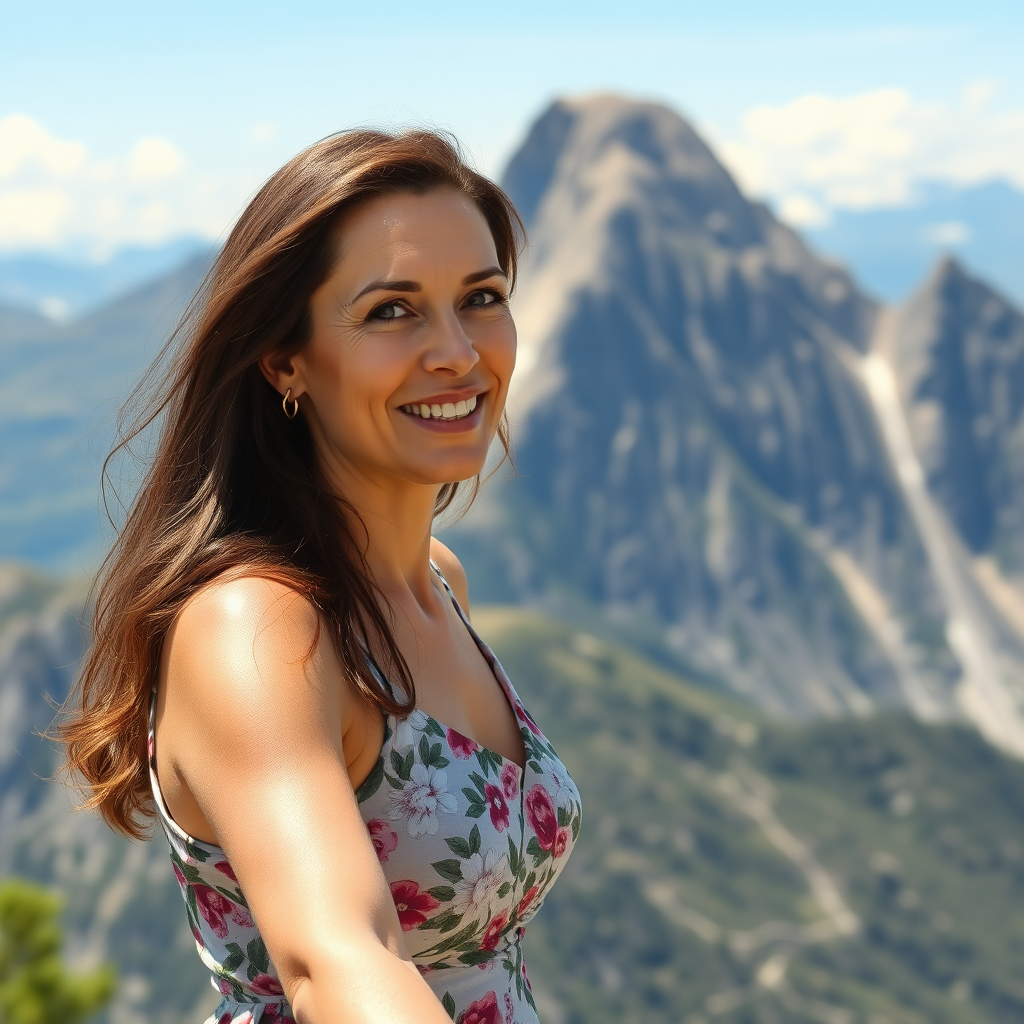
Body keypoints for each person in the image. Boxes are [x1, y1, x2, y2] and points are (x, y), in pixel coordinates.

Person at [59, 130, 582, 1024]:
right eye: (392, 311)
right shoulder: (257, 630)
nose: (457, 352)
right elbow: (340, 964)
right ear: (284, 361)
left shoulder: (440, 580)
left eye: (482, 298)